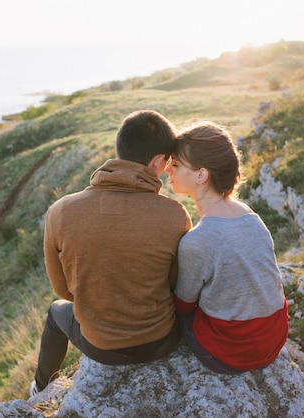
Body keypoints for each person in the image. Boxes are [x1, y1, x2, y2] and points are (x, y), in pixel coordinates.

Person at [31, 110, 193, 395]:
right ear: (157, 161)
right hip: (161, 342)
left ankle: (41, 389)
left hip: (100, 347)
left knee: (56, 314)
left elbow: (64, 290)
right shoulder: (175, 215)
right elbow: (176, 286)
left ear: (120, 150)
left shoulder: (60, 212)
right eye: (167, 162)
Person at [164, 120, 289, 374]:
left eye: (175, 164)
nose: (167, 169)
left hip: (232, 352)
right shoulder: (251, 217)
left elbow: (183, 305)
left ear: (201, 175)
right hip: (274, 339)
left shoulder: (197, 241)